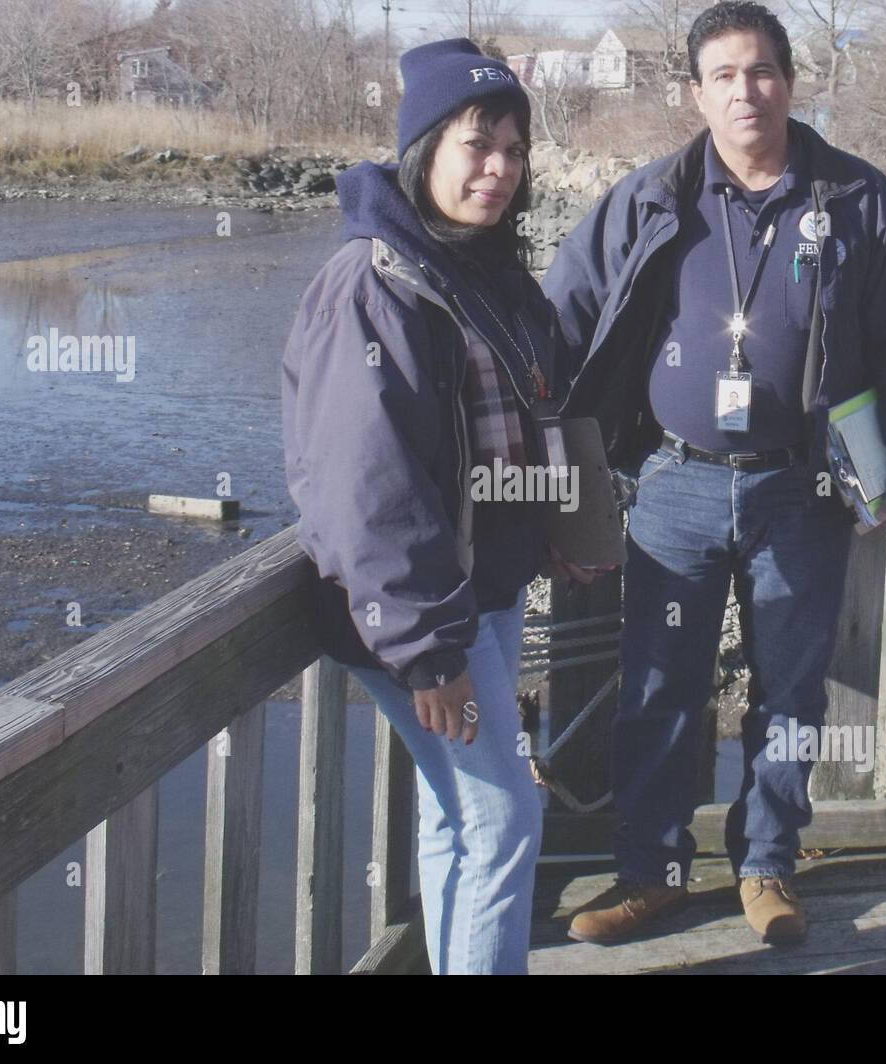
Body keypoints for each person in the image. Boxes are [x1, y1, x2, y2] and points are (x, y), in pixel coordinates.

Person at [543, 1, 886, 945]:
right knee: (658, 687)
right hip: (673, 485)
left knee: (792, 692)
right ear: (695, 93)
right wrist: (521, 441)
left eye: (760, 70)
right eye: (723, 75)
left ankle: (768, 868)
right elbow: (563, 315)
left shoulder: (853, 196)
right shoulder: (653, 197)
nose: (745, 91)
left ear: (789, 81)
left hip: (802, 487)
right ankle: (652, 873)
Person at [280, 38, 585, 974]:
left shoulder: (479, 267)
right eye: (475, 144)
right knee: (503, 818)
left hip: (477, 592)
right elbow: (368, 485)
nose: (498, 169)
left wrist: (561, 521)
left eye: (514, 150)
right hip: (419, 616)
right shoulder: (378, 284)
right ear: (423, 149)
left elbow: (539, 405)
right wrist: (427, 651)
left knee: (463, 818)